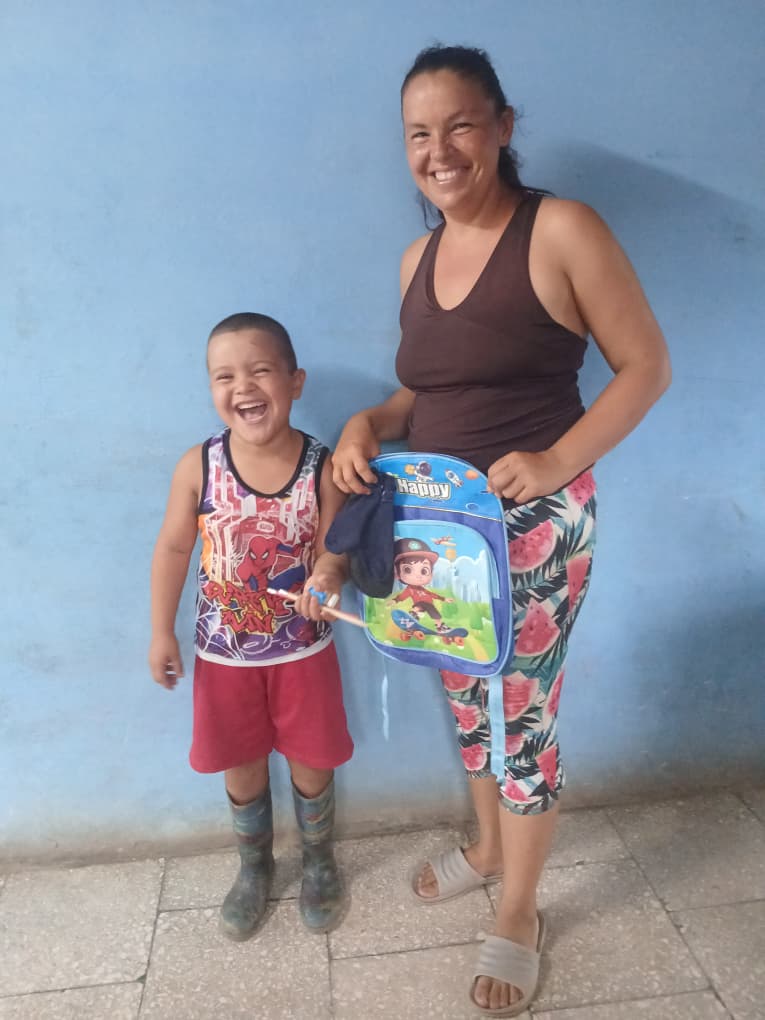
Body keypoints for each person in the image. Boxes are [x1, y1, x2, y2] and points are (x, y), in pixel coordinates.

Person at [332, 45, 671, 1017]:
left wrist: (560, 460)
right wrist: (370, 421)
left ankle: (520, 907)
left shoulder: (560, 229)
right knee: (468, 698)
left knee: (521, 717)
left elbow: (645, 365)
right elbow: (426, 389)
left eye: (461, 126)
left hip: (532, 528)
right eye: (419, 135)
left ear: (505, 127)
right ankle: (486, 850)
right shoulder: (417, 255)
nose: (440, 151)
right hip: (435, 529)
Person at [148, 312, 353, 940]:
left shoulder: (322, 467)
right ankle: (254, 866)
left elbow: (333, 550)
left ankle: (319, 862)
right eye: (225, 376)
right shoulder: (199, 466)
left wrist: (326, 578)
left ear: (295, 382)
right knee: (240, 762)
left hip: (303, 654)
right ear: (212, 390)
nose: (243, 386)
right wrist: (162, 631)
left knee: (312, 761)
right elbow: (175, 549)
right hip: (224, 658)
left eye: (261, 370)